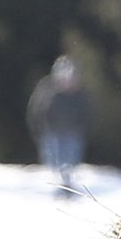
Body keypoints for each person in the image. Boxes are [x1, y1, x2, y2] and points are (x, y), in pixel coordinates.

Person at [26, 55, 91, 195]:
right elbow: (36, 111)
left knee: (70, 163)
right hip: (51, 134)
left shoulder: (79, 94)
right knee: (53, 164)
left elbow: (86, 113)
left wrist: (81, 129)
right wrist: (39, 130)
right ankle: (56, 189)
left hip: (73, 134)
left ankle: (68, 187)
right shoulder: (47, 90)